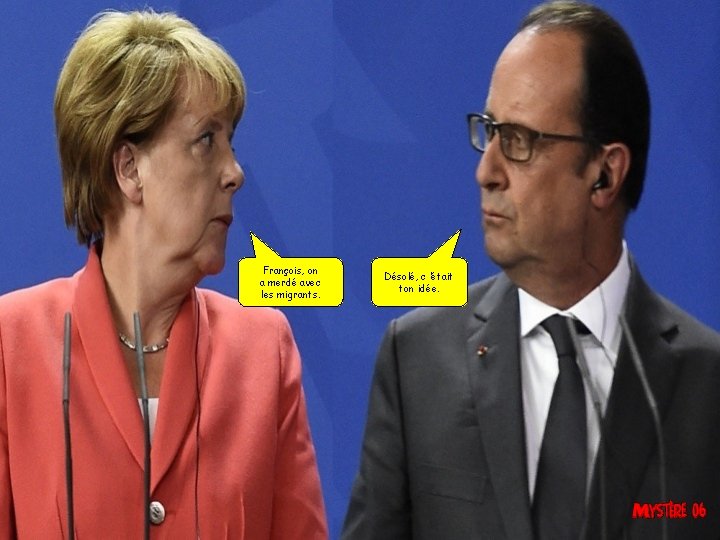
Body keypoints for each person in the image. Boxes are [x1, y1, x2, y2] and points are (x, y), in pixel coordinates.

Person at [342, 1, 720, 539]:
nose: (486, 171)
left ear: (604, 174)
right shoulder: (417, 360)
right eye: (489, 131)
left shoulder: (707, 385)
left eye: (518, 141)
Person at [0, 10, 327, 538]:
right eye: (206, 140)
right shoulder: (10, 345)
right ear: (129, 169)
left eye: (231, 142)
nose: (235, 173)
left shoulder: (264, 351)